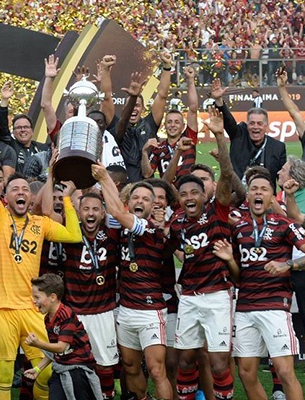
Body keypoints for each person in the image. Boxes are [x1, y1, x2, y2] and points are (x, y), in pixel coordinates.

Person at [0, 123, 82, 400]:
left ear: (31, 196)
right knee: (3, 376)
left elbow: (73, 235)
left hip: (32, 308)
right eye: (14, 189)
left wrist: (67, 200)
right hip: (1, 307)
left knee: (45, 371)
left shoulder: (39, 223)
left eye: (25, 189)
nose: (21, 192)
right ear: (6, 196)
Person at [216, 172, 305, 400]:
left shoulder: (285, 224)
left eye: (264, 189)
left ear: (272, 197)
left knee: (285, 372)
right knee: (246, 374)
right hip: (245, 308)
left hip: (275, 307)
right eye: (254, 189)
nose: (258, 192)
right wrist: (230, 260)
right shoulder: (238, 229)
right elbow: (238, 277)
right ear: (248, 197)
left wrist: (288, 264)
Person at [167, 107, 236, 400]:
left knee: (218, 363)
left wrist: (219, 136)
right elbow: (166, 186)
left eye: (194, 192)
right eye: (184, 194)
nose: (189, 197)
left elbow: (228, 176)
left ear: (204, 195)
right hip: (188, 296)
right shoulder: (177, 221)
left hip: (217, 295)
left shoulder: (217, 211)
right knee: (185, 361)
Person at [92, 162, 172, 400]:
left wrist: (104, 178)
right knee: (130, 367)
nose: (140, 201)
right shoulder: (121, 230)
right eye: (136, 197)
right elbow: (113, 211)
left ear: (152, 206)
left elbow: (117, 212)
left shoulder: (150, 229)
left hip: (150, 311)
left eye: (146, 199)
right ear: (129, 201)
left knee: (156, 370)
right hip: (126, 309)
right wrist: (104, 186)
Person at [60, 192, 120, 399]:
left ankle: (106, 396)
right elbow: (49, 212)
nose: (91, 213)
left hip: (103, 311)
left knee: (104, 365)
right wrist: (66, 193)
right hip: (74, 313)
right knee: (72, 365)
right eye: (86, 209)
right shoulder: (69, 234)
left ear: (103, 213)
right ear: (78, 213)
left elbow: (119, 210)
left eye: (95, 209)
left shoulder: (112, 235)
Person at [24, 273, 102, 400]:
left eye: (37, 297)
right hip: (60, 369)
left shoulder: (66, 315)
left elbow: (61, 347)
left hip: (78, 370)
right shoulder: (48, 318)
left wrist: (37, 343)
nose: (34, 301)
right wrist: (37, 369)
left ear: (52, 297)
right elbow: (54, 351)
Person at [211, 78, 286, 187]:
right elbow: (228, 121)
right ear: (247, 125)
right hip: (236, 195)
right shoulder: (239, 135)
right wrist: (218, 100)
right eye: (252, 123)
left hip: (266, 196)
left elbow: (283, 180)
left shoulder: (278, 148)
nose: (255, 127)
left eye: (259, 123)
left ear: (266, 126)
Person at [112, 52, 173, 183]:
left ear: (143, 109)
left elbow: (162, 95)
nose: (134, 109)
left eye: (137, 105)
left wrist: (167, 66)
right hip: (124, 186)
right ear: (124, 109)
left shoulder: (150, 124)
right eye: (130, 106)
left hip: (147, 185)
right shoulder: (119, 127)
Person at [141, 66, 199, 183]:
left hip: (185, 189)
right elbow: (147, 174)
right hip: (167, 191)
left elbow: (193, 108)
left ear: (183, 126)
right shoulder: (159, 148)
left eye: (177, 122)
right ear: (164, 126)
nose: (172, 125)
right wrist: (144, 153)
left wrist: (190, 81)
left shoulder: (188, 139)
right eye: (169, 122)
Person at [0, 81, 49, 173]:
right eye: (19, 127)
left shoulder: (43, 148)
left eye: (26, 127)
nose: (23, 130)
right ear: (13, 132)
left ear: (32, 130)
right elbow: (2, 126)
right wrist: (4, 100)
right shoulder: (11, 146)